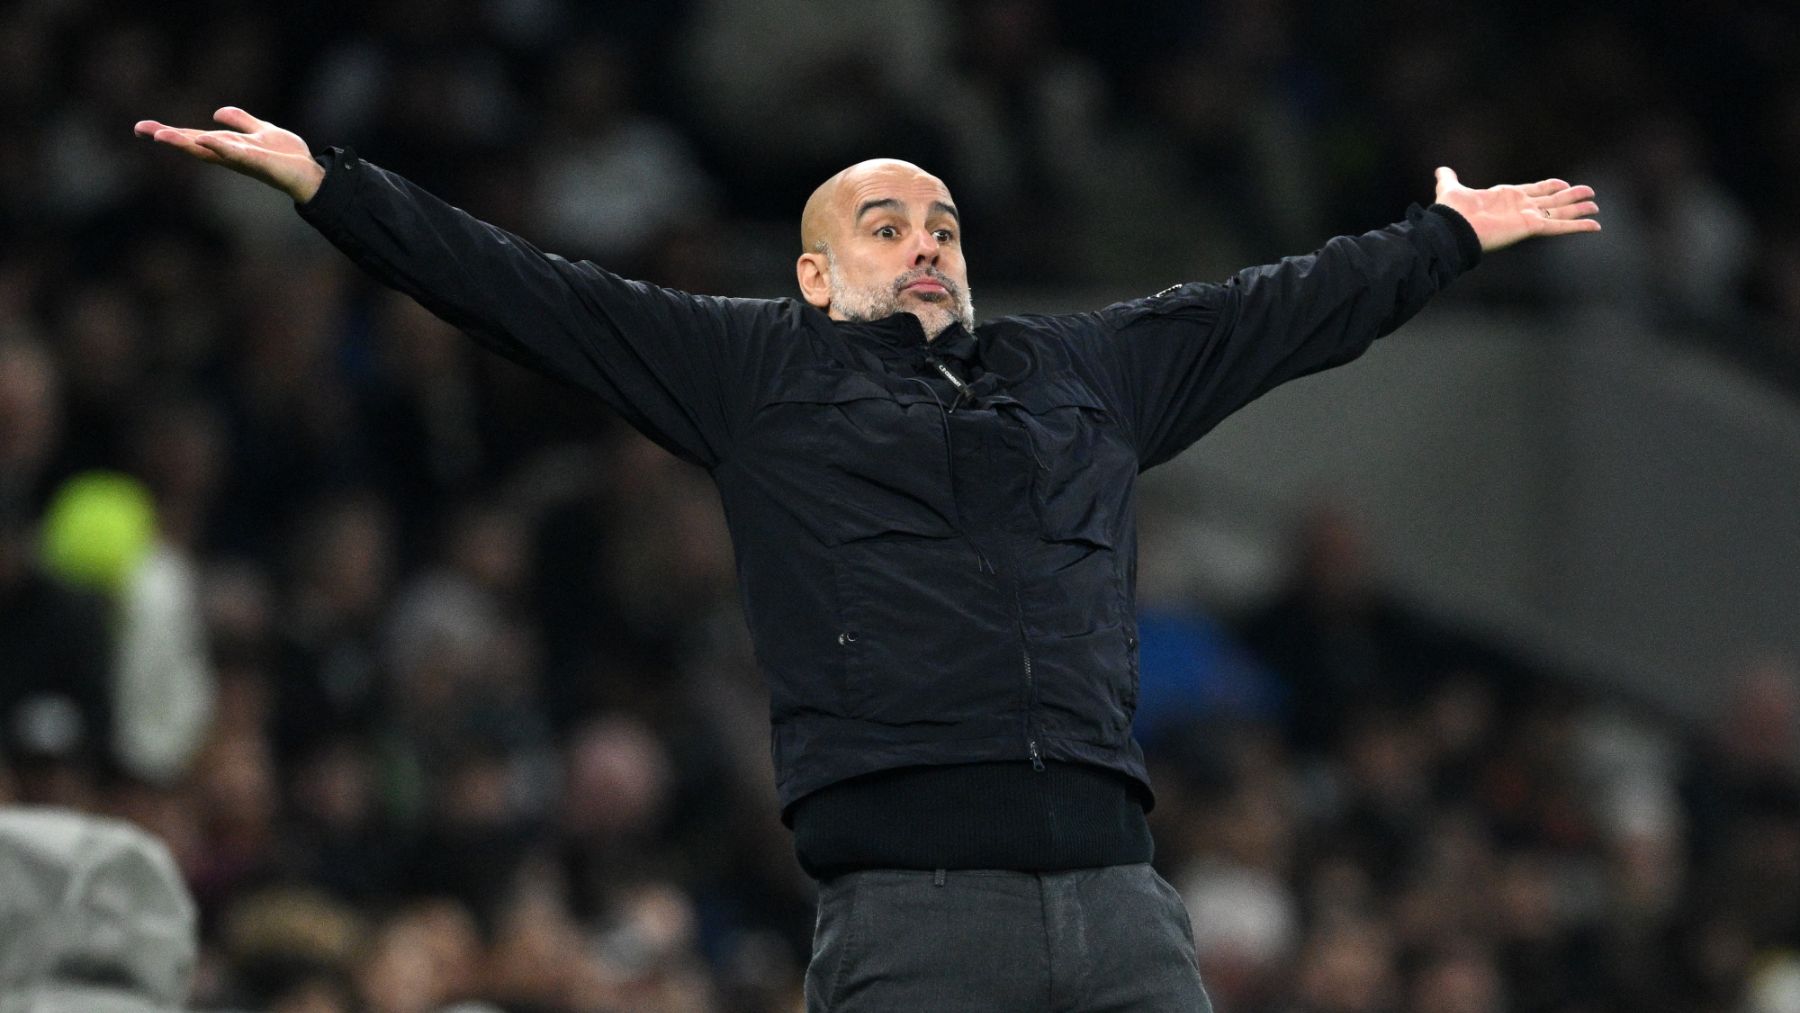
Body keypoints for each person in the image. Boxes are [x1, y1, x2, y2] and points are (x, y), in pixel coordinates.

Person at [134, 106, 1599, 1012]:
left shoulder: (1082, 370)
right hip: (913, 915)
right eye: (883, 224)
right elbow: (522, 291)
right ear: (814, 275)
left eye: (946, 225)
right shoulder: (752, 372)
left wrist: (1447, 234)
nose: (927, 245)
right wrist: (328, 184)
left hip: (1122, 901)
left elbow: (1277, 311)